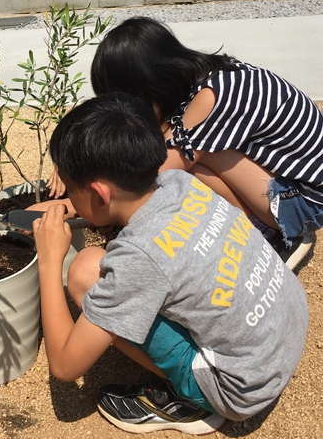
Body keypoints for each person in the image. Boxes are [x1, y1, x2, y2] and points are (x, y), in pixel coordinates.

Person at [33, 93, 308, 435]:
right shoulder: (180, 182)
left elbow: (64, 364)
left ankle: (190, 401)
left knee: (85, 273)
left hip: (239, 388)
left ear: (101, 194)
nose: (68, 199)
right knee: (109, 266)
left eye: (71, 191)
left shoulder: (139, 259)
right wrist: (83, 208)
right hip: (287, 322)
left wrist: (49, 259)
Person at [48, 16, 323, 270]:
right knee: (186, 149)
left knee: (187, 162)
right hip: (289, 182)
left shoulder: (212, 98)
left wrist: (77, 200)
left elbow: (157, 167)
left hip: (301, 204)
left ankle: (270, 238)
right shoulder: (207, 76)